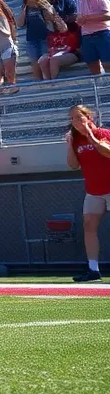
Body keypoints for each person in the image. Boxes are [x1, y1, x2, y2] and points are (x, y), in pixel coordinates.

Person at [66, 105, 110, 282]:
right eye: (72, 119)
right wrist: (70, 144)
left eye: (78, 117)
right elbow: (73, 165)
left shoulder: (103, 133)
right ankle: (93, 269)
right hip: (93, 191)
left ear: (88, 117)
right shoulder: (76, 141)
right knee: (89, 226)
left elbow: (107, 152)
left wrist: (90, 136)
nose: (75, 122)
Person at [18, 0, 57, 81]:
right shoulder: (25, 8)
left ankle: (48, 80)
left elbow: (52, 17)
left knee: (44, 60)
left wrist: (38, 6)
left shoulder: (43, 5)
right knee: (34, 62)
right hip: (32, 38)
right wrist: (24, 9)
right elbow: (19, 24)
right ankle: (38, 82)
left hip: (45, 37)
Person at [75, 0, 110, 75]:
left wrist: (88, 18)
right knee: (92, 65)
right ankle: (99, 87)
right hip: (86, 35)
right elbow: (79, 21)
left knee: (108, 63)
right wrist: (84, 19)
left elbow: (107, 16)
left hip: (102, 33)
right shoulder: (80, 1)